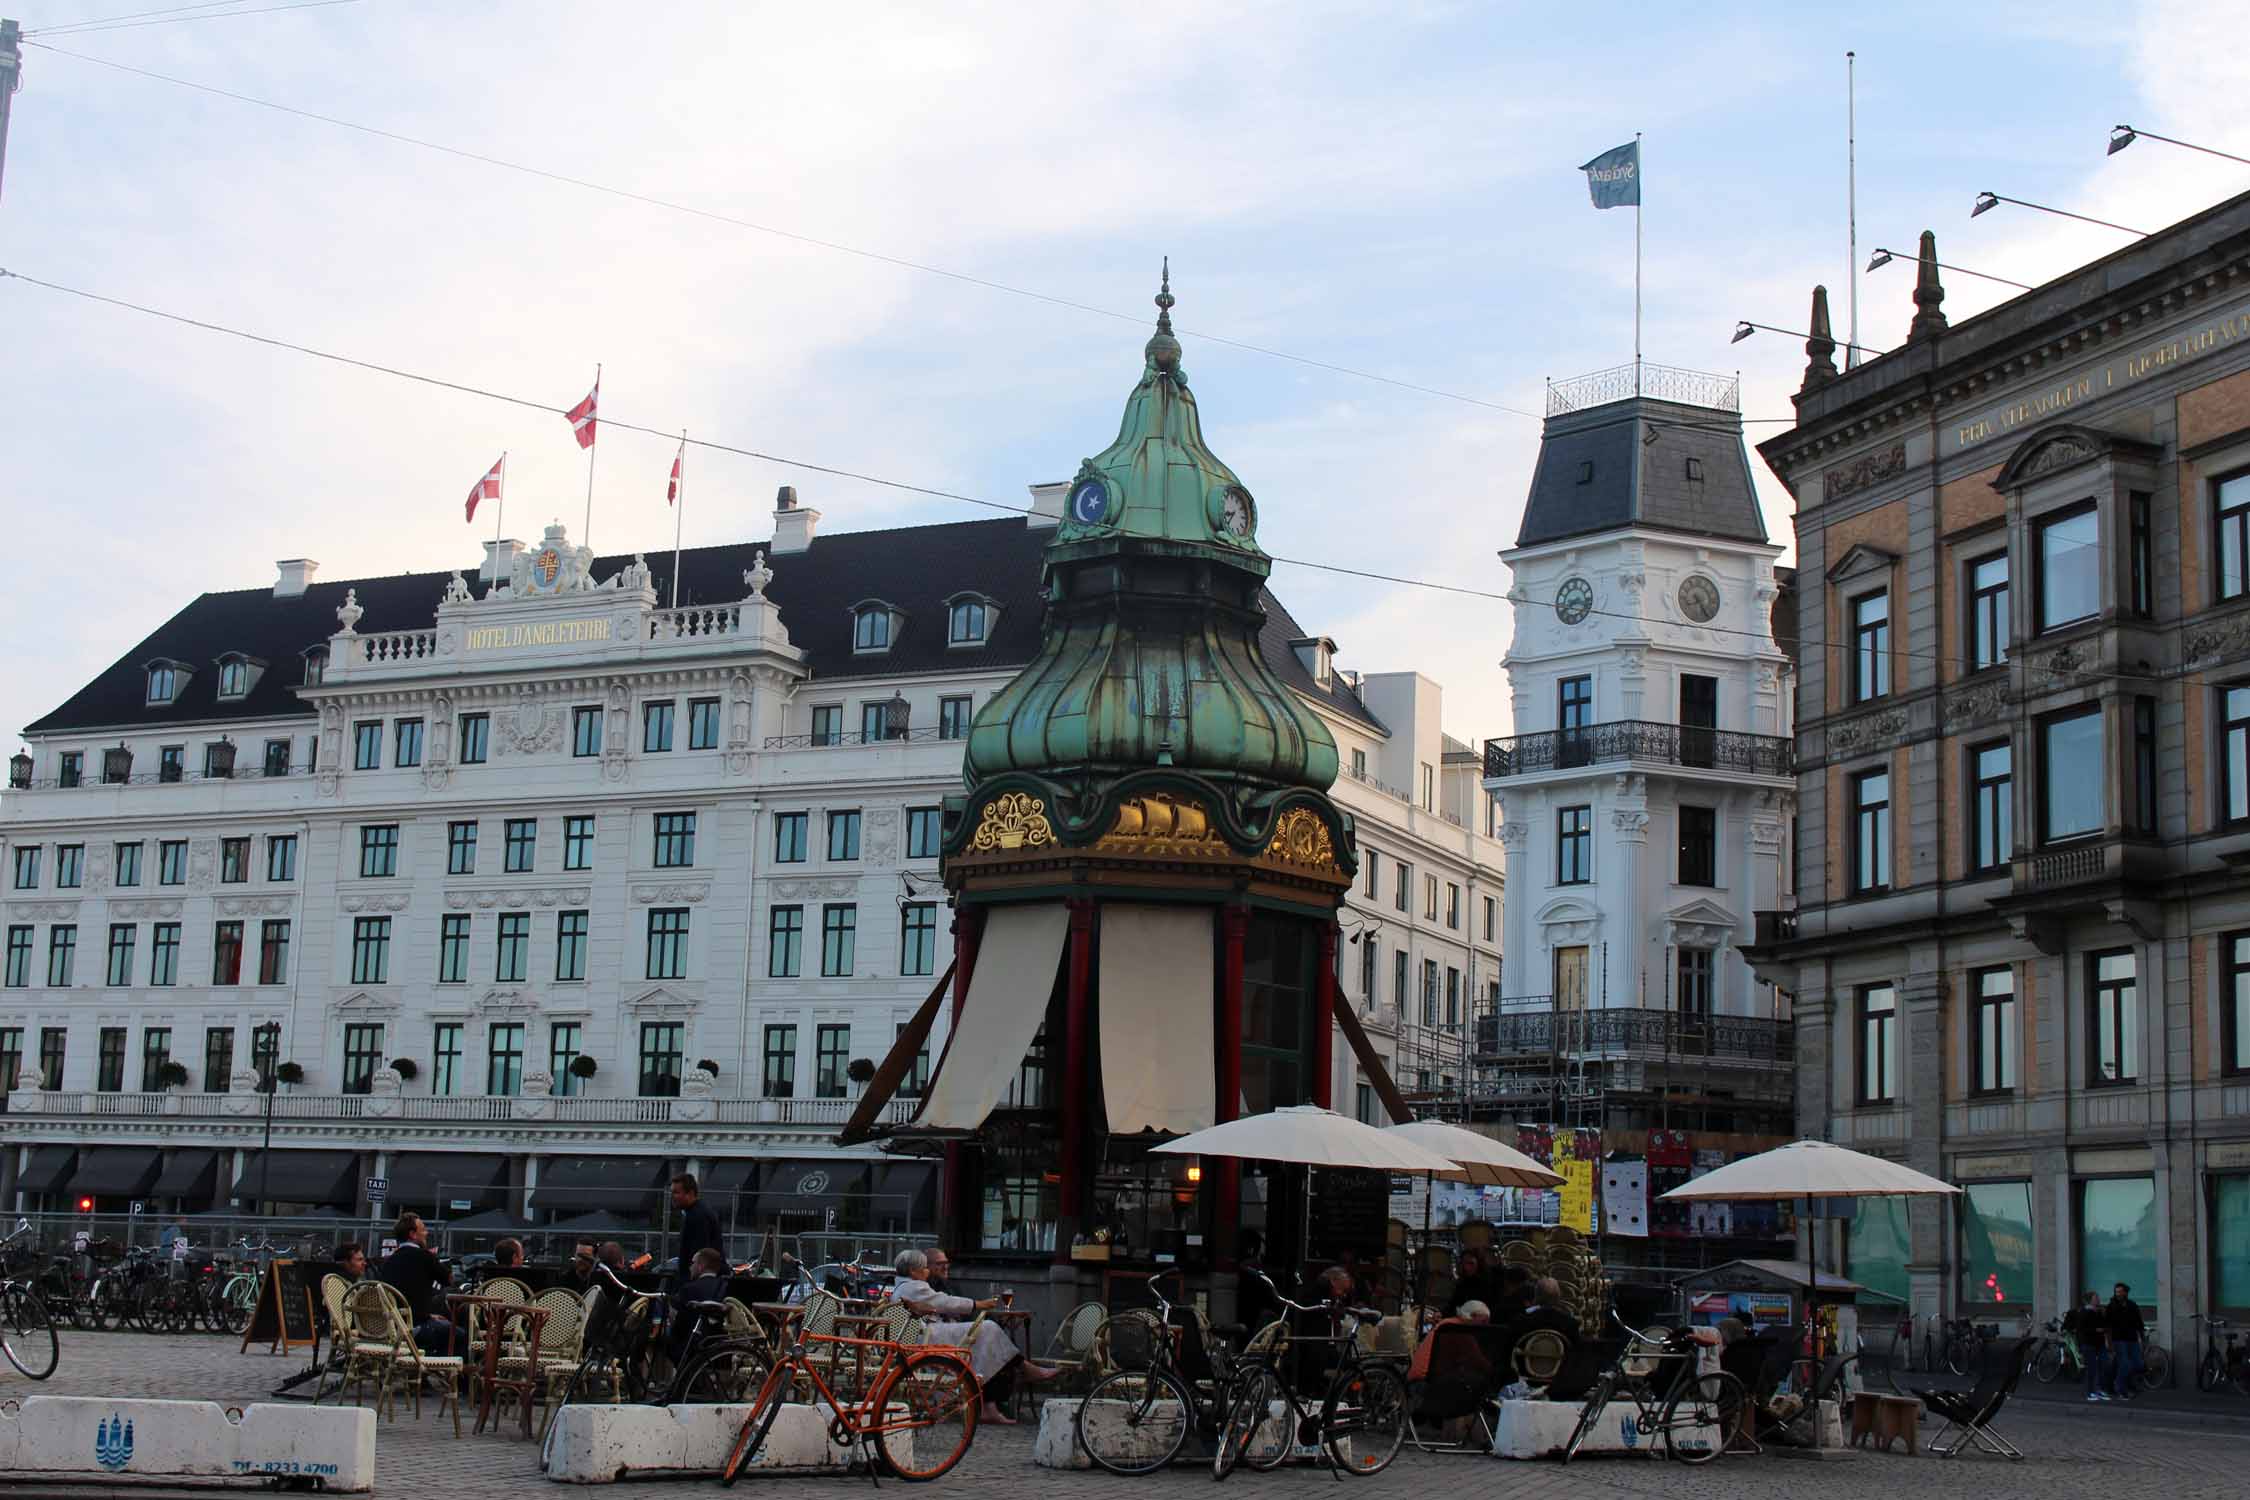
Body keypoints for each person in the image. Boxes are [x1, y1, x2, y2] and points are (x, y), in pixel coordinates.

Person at [889, 1248, 1056, 1424]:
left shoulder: (903, 1286)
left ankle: (988, 1405)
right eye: (924, 1268)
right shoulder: (914, 1286)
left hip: (924, 1336)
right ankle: (1023, 1369)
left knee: (986, 1345)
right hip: (928, 1338)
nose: (927, 1271)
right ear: (913, 1271)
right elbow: (944, 1302)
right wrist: (977, 1304)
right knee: (989, 1329)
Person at [375, 1213, 459, 1356]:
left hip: (393, 1327)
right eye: (423, 1229)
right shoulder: (424, 1256)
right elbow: (448, 1280)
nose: (426, 1233)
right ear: (413, 1234)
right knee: (459, 1335)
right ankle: (431, 1367)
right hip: (417, 1328)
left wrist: (429, 1315)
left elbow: (405, 1298)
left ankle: (419, 1367)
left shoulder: (388, 1261)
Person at [671, 1174, 722, 1283]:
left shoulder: (698, 1216)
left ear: (690, 1193)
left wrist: (690, 1284)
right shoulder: (697, 1212)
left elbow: (700, 1253)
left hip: (698, 1284)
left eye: (676, 1192)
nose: (673, 1196)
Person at [2105, 1282, 2146, 1400]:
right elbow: (2107, 1326)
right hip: (2119, 1340)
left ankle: (2118, 1383)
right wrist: (2108, 1341)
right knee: (2125, 1364)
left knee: (2138, 1363)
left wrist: (2142, 1338)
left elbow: (2139, 1323)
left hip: (2132, 1339)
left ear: (2126, 1293)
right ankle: (2121, 1389)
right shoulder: (2111, 1306)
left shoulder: (2132, 1305)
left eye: (2120, 1292)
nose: (2118, 1294)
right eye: (2116, 1292)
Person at [1447, 1250, 1499, 1316]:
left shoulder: (1489, 1281)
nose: (1467, 1267)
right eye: (1464, 1263)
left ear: (1479, 1264)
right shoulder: (1463, 1282)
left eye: (1471, 1263)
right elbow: (1453, 1304)